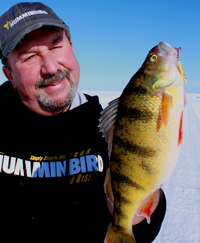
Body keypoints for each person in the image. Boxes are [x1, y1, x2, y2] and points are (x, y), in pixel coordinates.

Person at [0, 2, 166, 242]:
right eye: (30, 57)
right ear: (10, 75)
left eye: (56, 45)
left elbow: (141, 233)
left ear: (72, 47)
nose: (50, 67)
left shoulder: (107, 129)